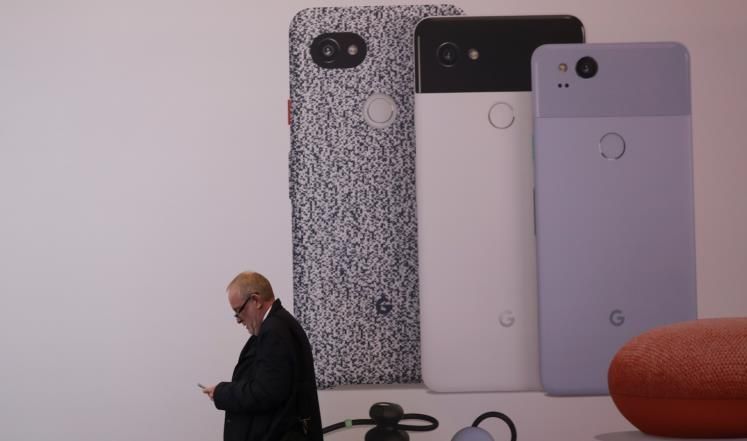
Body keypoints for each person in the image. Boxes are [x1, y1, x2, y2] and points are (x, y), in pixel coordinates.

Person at [202, 271, 323, 441]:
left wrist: (221, 392)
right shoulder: (279, 324)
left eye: (238, 311)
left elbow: (266, 392)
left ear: (256, 300)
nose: (238, 320)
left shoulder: (274, 330)